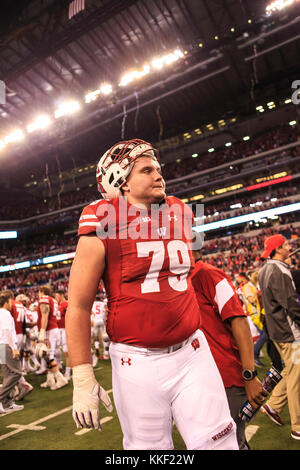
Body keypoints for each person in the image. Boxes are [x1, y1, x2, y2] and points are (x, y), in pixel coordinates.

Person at [66, 138, 239, 450]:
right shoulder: (101, 221)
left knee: (221, 443)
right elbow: (78, 305)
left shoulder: (179, 211)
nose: (159, 174)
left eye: (157, 168)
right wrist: (82, 376)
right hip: (137, 362)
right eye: (146, 170)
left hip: (192, 353)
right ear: (121, 182)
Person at [191, 250, 267, 450]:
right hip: (203, 379)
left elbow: (239, 320)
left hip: (227, 377)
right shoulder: (181, 280)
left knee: (229, 443)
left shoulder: (206, 273)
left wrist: (249, 375)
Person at [259, 234, 300, 440]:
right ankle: (298, 425)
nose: (288, 247)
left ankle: (274, 406)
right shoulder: (279, 270)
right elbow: (291, 304)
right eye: (285, 245)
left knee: (291, 371)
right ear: (277, 250)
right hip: (289, 332)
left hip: (277, 331)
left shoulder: (265, 269)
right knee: (296, 377)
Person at [36, 286, 68, 390]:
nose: (38, 295)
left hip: (49, 330)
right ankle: (50, 379)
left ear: (42, 292)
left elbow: (45, 315)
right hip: (53, 329)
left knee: (48, 355)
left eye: (39, 292)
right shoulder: (53, 300)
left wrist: (42, 331)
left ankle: (60, 379)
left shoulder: (45, 299)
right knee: (47, 356)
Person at [0, 290, 24, 414]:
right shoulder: (4, 313)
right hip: (6, 345)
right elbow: (6, 331)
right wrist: (13, 347)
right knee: (16, 372)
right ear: (7, 301)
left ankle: (7, 403)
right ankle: (1, 398)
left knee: (8, 374)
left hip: (2, 345)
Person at [242, 271, 267, 368]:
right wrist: (257, 292)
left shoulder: (256, 285)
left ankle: (275, 358)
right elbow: (251, 300)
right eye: (254, 275)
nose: (256, 275)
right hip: (255, 314)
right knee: (265, 335)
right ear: (249, 277)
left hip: (261, 313)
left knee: (267, 336)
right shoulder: (248, 287)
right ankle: (254, 354)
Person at [55, 289, 71, 380]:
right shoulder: (58, 305)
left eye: (57, 296)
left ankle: (68, 372)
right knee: (58, 349)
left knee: (66, 351)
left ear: (61, 295)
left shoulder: (66, 304)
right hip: (59, 330)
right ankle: (59, 366)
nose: (56, 298)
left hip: (65, 329)